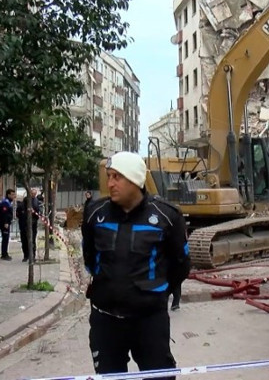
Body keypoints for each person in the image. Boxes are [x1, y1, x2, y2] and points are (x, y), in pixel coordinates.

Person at [82, 151, 190, 379]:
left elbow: (181, 265)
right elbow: (90, 258)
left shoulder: (167, 216)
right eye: (108, 176)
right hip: (106, 321)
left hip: (149, 321)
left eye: (116, 177)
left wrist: (155, 293)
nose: (110, 183)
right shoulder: (95, 214)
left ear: (134, 180)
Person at [0, 189, 16, 260]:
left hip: (6, 222)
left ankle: (5, 253)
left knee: (6, 238)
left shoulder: (9, 202)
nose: (13, 196)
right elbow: (4, 214)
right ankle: (4, 254)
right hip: (4, 223)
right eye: (12, 194)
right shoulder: (5, 202)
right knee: (5, 238)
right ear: (8, 195)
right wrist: (6, 222)